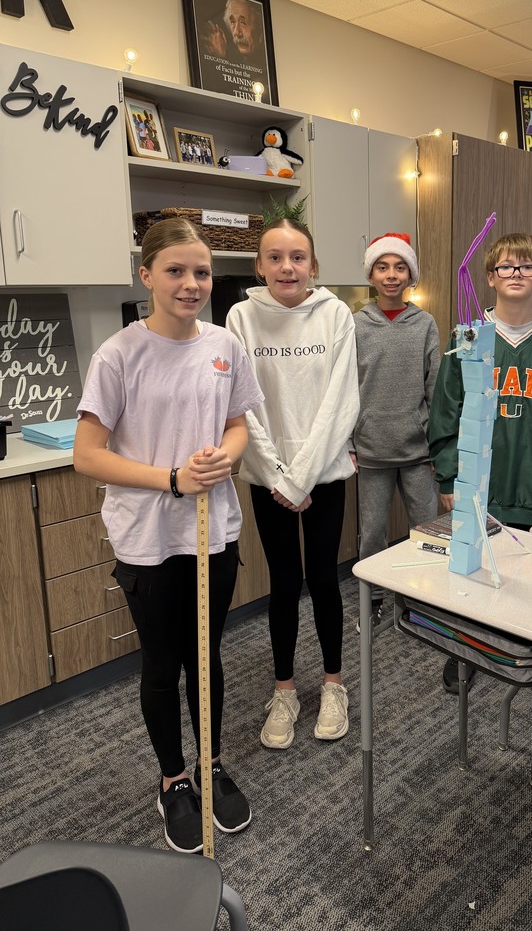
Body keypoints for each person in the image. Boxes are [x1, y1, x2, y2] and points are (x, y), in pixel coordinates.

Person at [73, 218, 263, 853]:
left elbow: (238, 423)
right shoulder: (118, 355)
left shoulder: (225, 345)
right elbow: (87, 454)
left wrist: (226, 455)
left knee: (206, 656)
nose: (191, 284)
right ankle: (173, 779)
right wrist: (173, 479)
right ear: (146, 275)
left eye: (201, 272)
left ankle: (211, 765)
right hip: (149, 538)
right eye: (176, 271)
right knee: (162, 662)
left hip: (214, 532)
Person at [429, 232, 532, 693]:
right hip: (481, 483)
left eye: (527, 266)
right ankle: (464, 650)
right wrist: (449, 475)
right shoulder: (468, 338)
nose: (516, 273)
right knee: (470, 569)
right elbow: (445, 413)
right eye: (506, 266)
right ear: (490, 276)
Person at [226, 218, 359, 749]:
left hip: (322, 474)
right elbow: (241, 405)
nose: (287, 267)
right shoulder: (240, 318)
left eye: (298, 257)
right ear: (259, 266)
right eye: (276, 257)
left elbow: (341, 402)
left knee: (324, 579)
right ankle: (284, 691)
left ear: (314, 265)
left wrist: (300, 477)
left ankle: (333, 685)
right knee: (283, 584)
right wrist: (279, 477)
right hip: (268, 477)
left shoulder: (336, 315)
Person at [352, 233, 441, 629]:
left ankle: (426, 599)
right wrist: (349, 441)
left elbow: (435, 387)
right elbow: (345, 388)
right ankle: (371, 599)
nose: (391, 275)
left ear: (410, 275)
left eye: (400, 267)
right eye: (383, 267)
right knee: (372, 533)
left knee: (428, 528)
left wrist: (440, 445)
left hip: (418, 449)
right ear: (371, 275)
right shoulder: (356, 324)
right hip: (371, 449)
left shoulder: (424, 324)